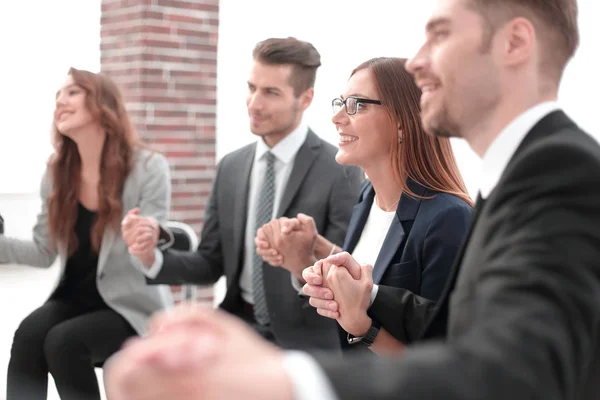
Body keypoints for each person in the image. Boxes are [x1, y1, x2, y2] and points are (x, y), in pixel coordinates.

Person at [104, 0, 600, 399]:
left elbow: (513, 371)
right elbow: (445, 328)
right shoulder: (515, 175)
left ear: (515, 42)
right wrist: (336, 273)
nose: (418, 62)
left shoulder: (558, 171)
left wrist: (283, 381)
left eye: (441, 33)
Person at [122, 37, 364, 350]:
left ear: (305, 99)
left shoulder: (341, 170)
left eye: (270, 92)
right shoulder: (231, 167)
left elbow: (346, 275)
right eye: (252, 88)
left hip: (306, 338)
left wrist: (300, 260)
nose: (254, 103)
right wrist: (150, 256)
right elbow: (210, 263)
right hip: (237, 325)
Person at [255, 57, 472, 355]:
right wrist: (314, 251)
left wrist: (363, 329)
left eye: (357, 104)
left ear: (402, 123)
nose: (337, 118)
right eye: (340, 103)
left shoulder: (449, 218)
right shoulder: (367, 195)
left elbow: (443, 363)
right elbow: (368, 278)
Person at [1, 68, 173, 400]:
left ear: (102, 104)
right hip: (73, 299)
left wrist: (146, 236)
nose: (60, 102)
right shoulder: (57, 173)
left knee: (64, 342)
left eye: (72, 92)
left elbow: (151, 247)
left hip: (129, 306)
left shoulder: (149, 167)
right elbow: (43, 252)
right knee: (28, 335)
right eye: (57, 96)